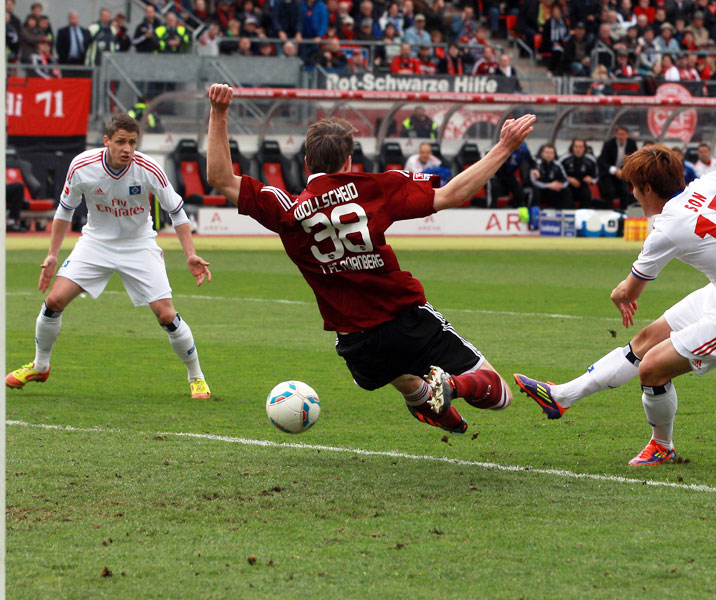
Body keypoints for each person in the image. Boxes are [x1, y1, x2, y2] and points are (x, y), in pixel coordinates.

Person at [206, 83, 537, 435]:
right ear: (349, 161)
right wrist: (504, 146)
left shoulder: (286, 210)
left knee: (402, 376)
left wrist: (219, 112)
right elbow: (452, 194)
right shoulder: (374, 188)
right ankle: (452, 387)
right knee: (499, 394)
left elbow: (219, 178)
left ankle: (433, 408)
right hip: (404, 320)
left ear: (306, 163)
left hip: (356, 343)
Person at [514, 144, 716, 466]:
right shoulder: (710, 182)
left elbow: (630, 291)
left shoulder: (666, 227)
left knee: (652, 368)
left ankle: (662, 446)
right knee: (645, 340)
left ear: (647, 188)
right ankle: (560, 397)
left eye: (634, 186)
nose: (632, 192)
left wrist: (619, 295)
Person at [6, 114, 213, 400]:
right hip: (95, 243)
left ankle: (197, 377)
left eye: (132, 142)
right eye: (120, 142)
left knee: (166, 314)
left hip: (139, 244)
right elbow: (65, 210)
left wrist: (190, 254)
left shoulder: (148, 168)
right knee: (53, 301)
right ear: (106, 141)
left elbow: (176, 211)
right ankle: (40, 366)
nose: (127, 148)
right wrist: (52, 255)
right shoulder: (82, 166)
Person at [598, 125, 637, 210]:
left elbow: (634, 159)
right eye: (619, 134)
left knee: (625, 191)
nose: (621, 136)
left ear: (627, 135)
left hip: (623, 173)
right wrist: (614, 170)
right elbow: (601, 161)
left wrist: (624, 170)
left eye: (623, 134)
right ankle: (609, 212)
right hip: (608, 173)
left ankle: (624, 212)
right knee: (609, 191)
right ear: (616, 135)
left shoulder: (631, 144)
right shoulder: (609, 144)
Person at [560, 139, 598, 208]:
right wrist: (568, 179)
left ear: (584, 148)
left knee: (587, 193)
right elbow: (558, 174)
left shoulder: (591, 159)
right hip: (567, 186)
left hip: (583, 186)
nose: (578, 149)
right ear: (572, 148)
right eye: (576, 147)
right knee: (566, 193)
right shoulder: (564, 159)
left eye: (580, 147)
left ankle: (583, 214)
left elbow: (597, 177)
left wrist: (591, 180)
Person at [530, 144, 569, 211]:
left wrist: (560, 185)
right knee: (535, 190)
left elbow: (566, 180)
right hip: (541, 190)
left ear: (554, 154)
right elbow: (533, 181)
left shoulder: (558, 165)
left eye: (551, 153)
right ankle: (535, 212)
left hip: (553, 191)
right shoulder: (537, 163)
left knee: (566, 191)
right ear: (542, 153)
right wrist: (548, 185)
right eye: (547, 152)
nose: (549, 155)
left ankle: (565, 212)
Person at [55, 11, 90, 75]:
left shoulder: (85, 32)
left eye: (75, 18)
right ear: (68, 19)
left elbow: (88, 44)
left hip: (82, 61)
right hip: (67, 61)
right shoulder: (62, 31)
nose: (73, 19)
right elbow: (59, 46)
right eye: (72, 18)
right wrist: (64, 58)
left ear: (78, 18)